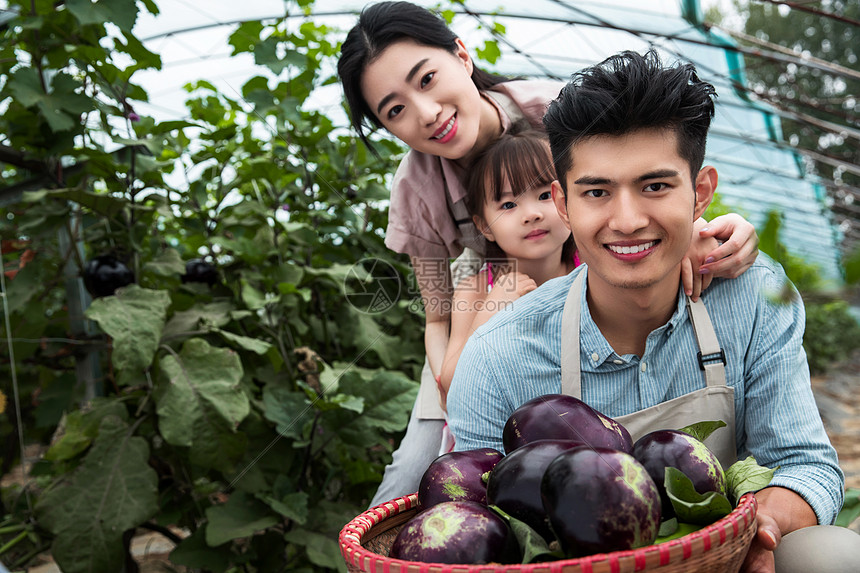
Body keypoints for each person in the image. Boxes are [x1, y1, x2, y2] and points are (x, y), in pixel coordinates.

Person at [338, 1, 760, 508]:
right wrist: (454, 382)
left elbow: (644, 179)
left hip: (579, 259)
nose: (426, 113)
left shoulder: (552, 109)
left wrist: (704, 231)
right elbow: (437, 315)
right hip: (485, 284)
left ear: (461, 55)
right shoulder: (416, 190)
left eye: (426, 79)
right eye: (395, 109)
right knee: (418, 467)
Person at [446, 50, 848, 573]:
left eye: (655, 186)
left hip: (722, 558)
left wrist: (756, 531)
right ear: (563, 203)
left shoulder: (753, 297)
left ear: (700, 193)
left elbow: (805, 464)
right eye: (597, 191)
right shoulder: (499, 356)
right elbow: (476, 520)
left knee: (833, 556)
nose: (629, 220)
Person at [438, 123, 577, 407]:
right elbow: (451, 386)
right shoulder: (476, 292)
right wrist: (489, 315)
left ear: (568, 199)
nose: (531, 214)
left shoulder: (590, 271)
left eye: (544, 195)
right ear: (484, 226)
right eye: (508, 205)